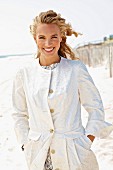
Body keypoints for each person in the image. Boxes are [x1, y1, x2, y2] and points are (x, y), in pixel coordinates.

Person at [12, 10, 113, 170]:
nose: (48, 43)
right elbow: (19, 114)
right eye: (42, 37)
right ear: (34, 39)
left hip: (74, 155)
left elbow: (96, 108)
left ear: (61, 38)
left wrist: (86, 141)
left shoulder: (76, 69)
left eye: (53, 37)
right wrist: (25, 144)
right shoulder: (24, 74)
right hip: (39, 157)